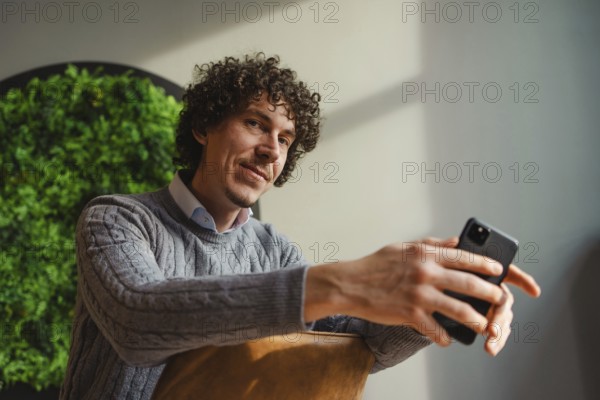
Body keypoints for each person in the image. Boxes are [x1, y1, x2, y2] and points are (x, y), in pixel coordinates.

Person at [60, 53, 541, 399]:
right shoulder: (117, 219)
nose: (272, 149)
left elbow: (361, 346)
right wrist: (337, 281)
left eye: (285, 138)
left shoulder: (274, 250)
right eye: (255, 123)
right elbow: (139, 322)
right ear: (203, 127)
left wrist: (437, 306)